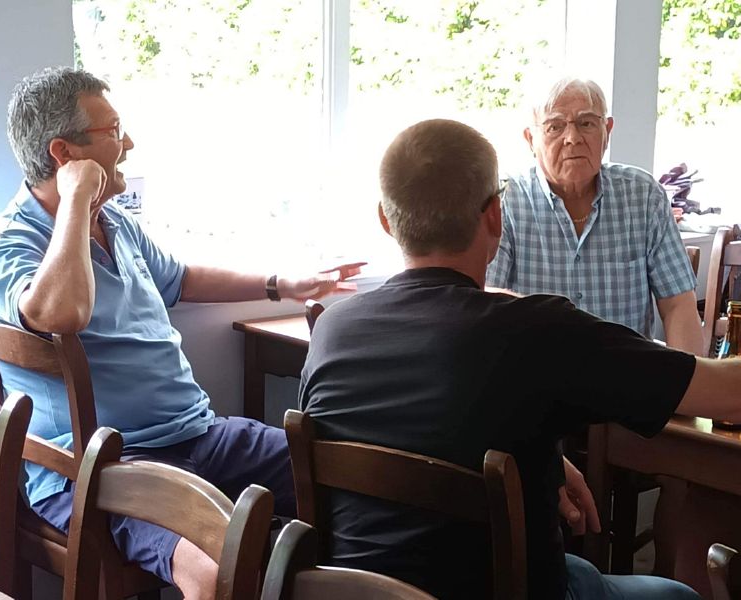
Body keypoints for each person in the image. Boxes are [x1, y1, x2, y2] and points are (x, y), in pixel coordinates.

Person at [298, 118, 741, 599]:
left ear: (386, 219)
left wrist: (546, 461)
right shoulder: (538, 331)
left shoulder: (332, 328)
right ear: (495, 216)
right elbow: (728, 396)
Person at [0, 66, 364, 600]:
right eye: (114, 132)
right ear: (63, 155)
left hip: (198, 434)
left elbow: (182, 278)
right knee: (212, 572)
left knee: (347, 477)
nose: (129, 144)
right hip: (101, 468)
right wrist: (77, 202)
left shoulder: (117, 223)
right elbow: (61, 313)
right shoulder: (6, 245)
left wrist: (280, 284)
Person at [485, 77, 703, 355]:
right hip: (538, 374)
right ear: (531, 139)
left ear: (607, 131)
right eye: (555, 126)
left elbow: (678, 305)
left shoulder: (644, 195)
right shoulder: (506, 201)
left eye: (586, 123)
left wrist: (687, 379)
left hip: (627, 373)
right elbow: (487, 300)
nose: (573, 138)